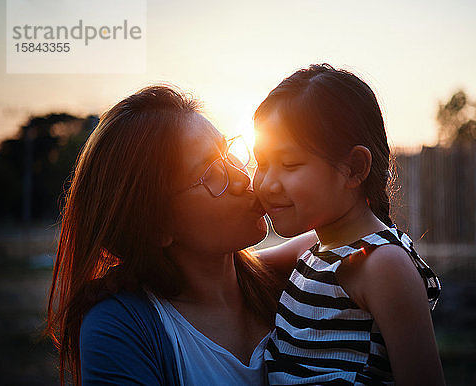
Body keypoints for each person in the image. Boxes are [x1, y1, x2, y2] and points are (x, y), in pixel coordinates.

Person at [45, 85, 314, 385]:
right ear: (156, 225)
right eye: (211, 174)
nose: (242, 177)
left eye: (228, 152)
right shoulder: (121, 327)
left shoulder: (298, 280)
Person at [253, 64, 445, 385]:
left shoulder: (381, 264)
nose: (267, 183)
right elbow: (234, 270)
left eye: (289, 164)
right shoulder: (314, 250)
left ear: (354, 168)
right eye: (261, 163)